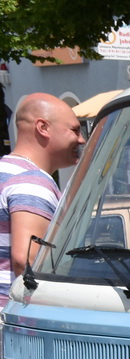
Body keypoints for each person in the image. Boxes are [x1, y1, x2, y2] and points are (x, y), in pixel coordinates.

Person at [1, 93, 86, 309]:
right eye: (74, 130)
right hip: (13, 319)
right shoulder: (34, 183)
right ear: (43, 127)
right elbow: (28, 261)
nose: (81, 139)